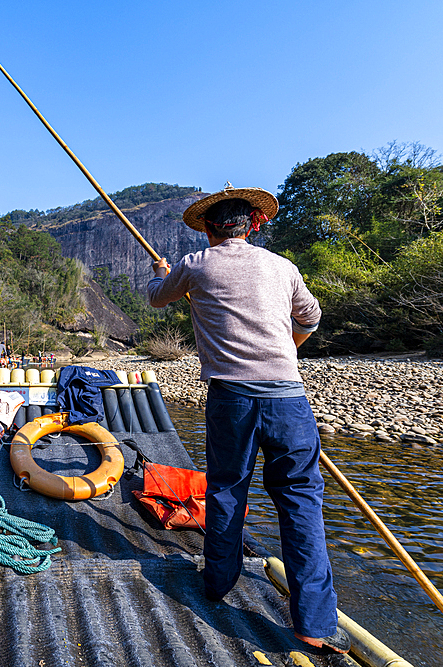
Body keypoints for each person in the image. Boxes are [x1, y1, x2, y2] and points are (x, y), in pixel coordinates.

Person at [146, 185, 349, 655]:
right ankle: (314, 626)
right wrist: (288, 348)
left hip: (232, 398)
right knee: (301, 502)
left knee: (226, 487)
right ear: (254, 224)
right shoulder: (284, 267)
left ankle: (217, 584)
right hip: (289, 399)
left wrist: (159, 271)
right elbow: (312, 317)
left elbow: (158, 297)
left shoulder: (196, 265)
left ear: (209, 229)